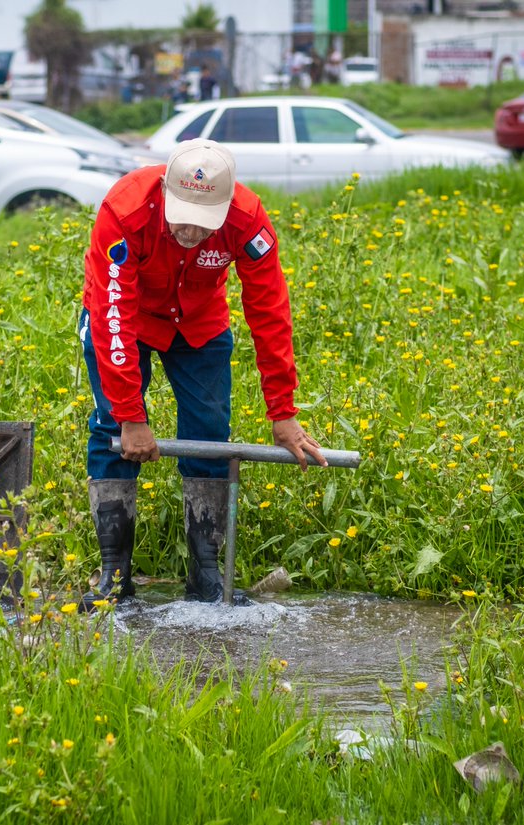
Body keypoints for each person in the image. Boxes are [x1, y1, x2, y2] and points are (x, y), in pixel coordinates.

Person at [79, 139, 327, 607]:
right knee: (112, 427)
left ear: (227, 205)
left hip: (198, 322)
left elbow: (270, 314)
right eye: (183, 218)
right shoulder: (125, 212)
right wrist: (132, 417)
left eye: (204, 221)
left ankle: (206, 573)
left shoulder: (248, 222)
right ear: (165, 192)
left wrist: (283, 411)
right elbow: (114, 319)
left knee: (210, 432)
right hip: (123, 320)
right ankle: (114, 573)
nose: (191, 231)